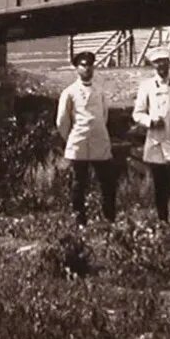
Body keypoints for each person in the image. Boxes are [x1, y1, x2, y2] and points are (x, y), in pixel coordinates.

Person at [131, 44, 170, 226]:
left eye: (165, 62)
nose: (162, 66)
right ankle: (163, 221)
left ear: (169, 64)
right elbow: (138, 113)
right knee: (161, 186)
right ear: (153, 65)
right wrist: (150, 121)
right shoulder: (147, 86)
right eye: (158, 63)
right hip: (157, 143)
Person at [56, 49, 120, 225]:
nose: (87, 69)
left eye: (90, 65)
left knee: (107, 182)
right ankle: (80, 220)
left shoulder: (99, 91)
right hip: (79, 142)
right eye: (83, 65)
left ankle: (109, 219)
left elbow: (104, 115)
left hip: (99, 142)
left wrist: (97, 131)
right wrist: (72, 138)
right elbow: (62, 120)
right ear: (77, 68)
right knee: (79, 183)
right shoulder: (69, 92)